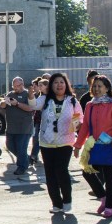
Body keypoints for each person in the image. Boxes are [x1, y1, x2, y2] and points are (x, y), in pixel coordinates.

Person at [74, 75, 112, 218]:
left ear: (107, 88)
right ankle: (102, 197)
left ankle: (110, 206)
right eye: (94, 86)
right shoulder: (90, 105)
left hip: (110, 146)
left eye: (100, 86)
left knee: (110, 177)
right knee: (87, 172)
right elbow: (85, 127)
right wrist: (78, 145)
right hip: (94, 146)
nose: (96, 89)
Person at [31, 72, 83, 214]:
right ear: (51, 85)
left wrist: (77, 125)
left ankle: (67, 200)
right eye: (55, 82)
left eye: (61, 82)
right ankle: (56, 203)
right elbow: (33, 106)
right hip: (46, 142)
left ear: (66, 85)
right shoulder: (45, 99)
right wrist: (30, 94)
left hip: (65, 141)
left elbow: (79, 118)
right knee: (50, 173)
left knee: (61, 170)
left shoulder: (72, 101)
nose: (59, 85)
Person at [0, 76, 36, 175]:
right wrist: (3, 103)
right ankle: (27, 159)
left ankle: (22, 167)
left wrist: (17, 104)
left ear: (22, 85)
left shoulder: (27, 95)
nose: (16, 88)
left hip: (24, 128)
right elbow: (3, 104)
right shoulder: (10, 94)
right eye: (14, 86)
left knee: (21, 148)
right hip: (11, 128)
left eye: (18, 86)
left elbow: (31, 108)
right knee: (10, 146)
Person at [28, 77, 48, 166]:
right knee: (36, 138)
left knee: (40, 139)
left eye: (41, 85)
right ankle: (33, 156)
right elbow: (34, 105)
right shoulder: (41, 96)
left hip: (47, 122)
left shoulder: (50, 97)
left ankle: (33, 156)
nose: (39, 87)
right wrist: (31, 95)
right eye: (38, 85)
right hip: (38, 120)